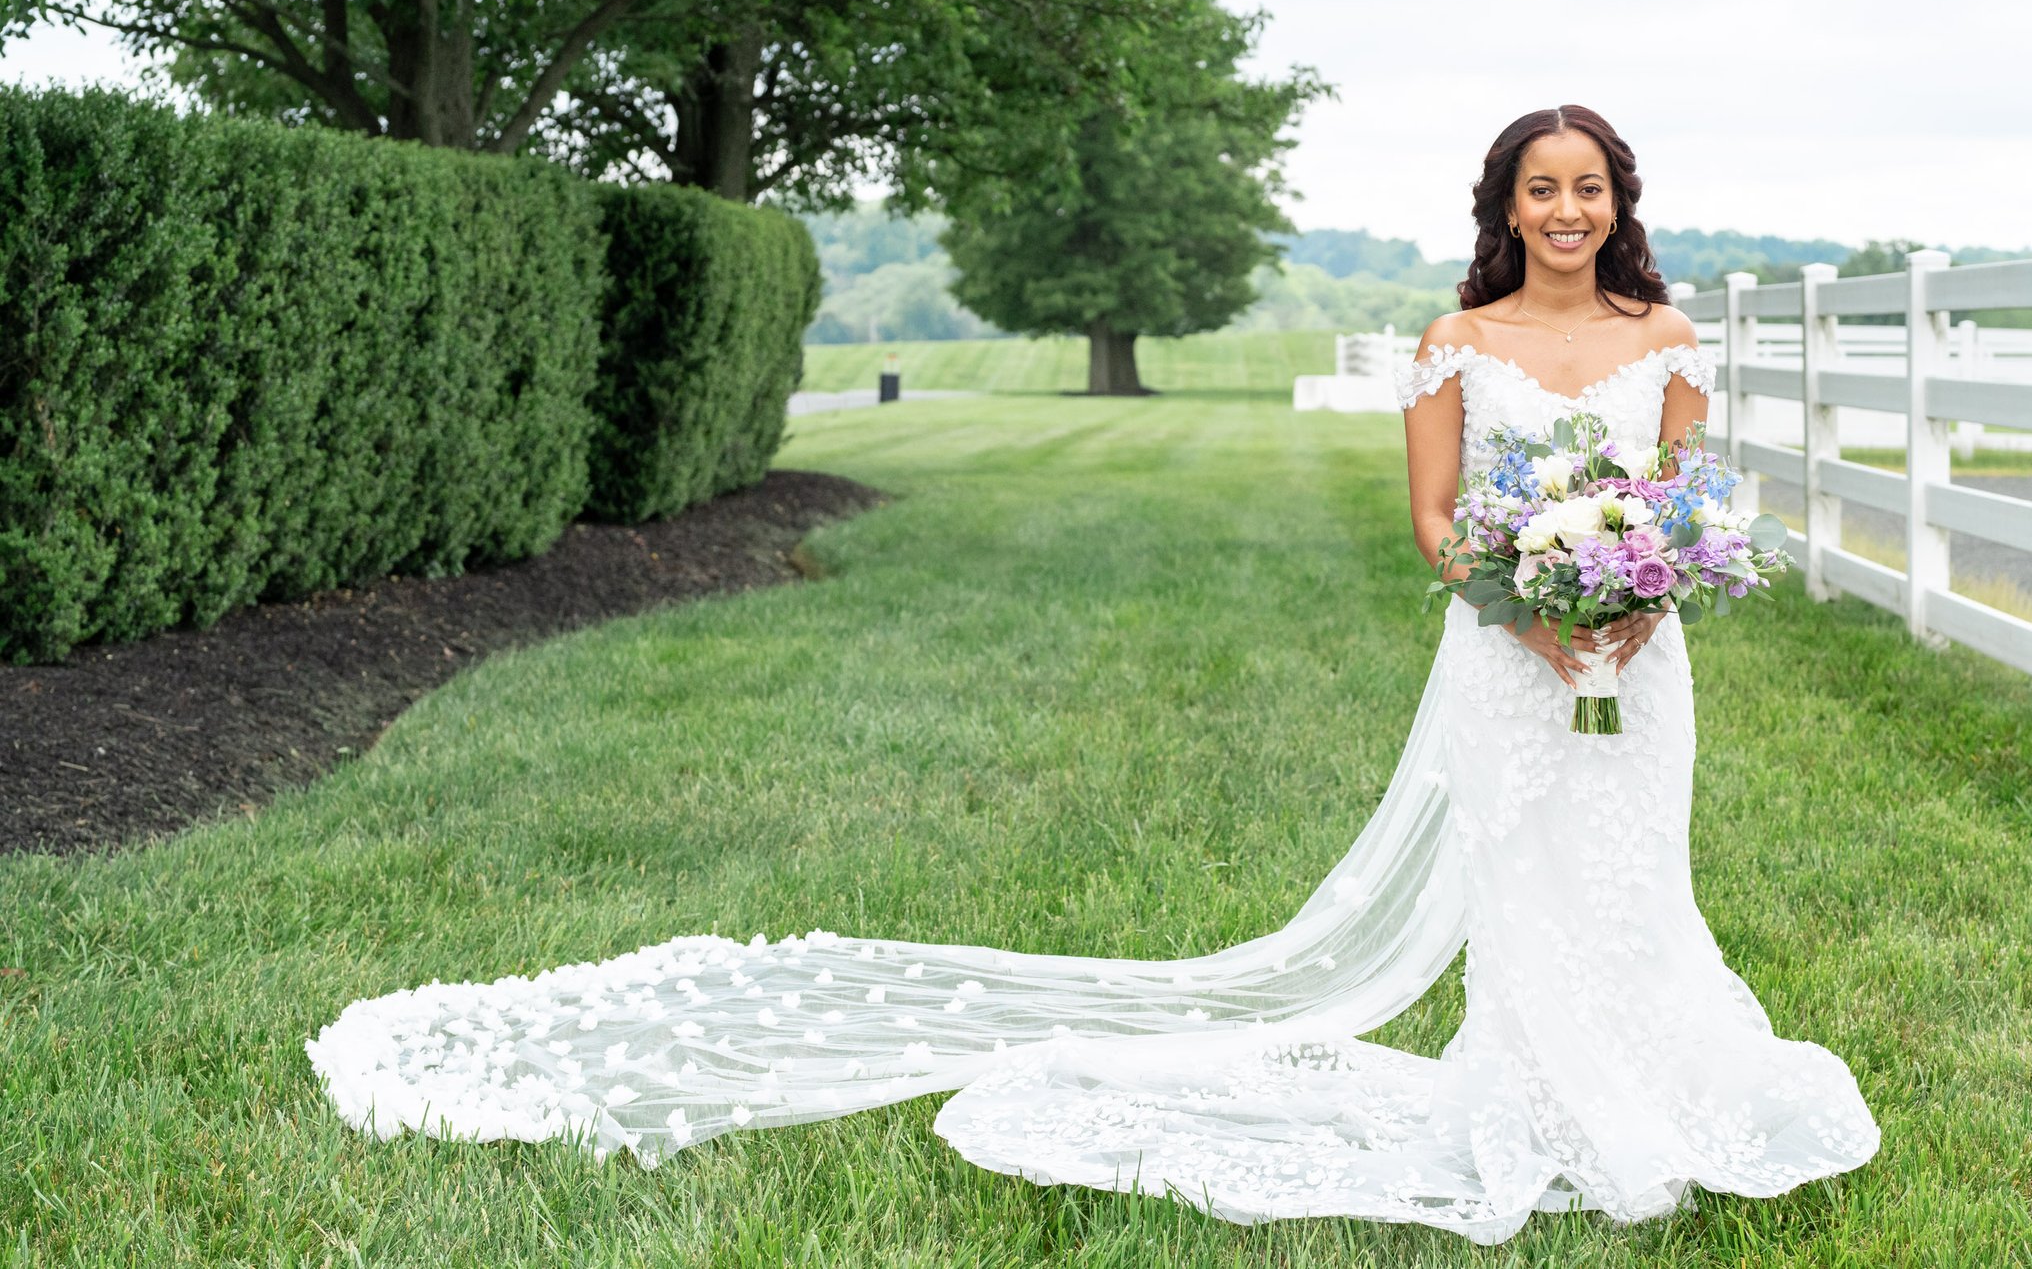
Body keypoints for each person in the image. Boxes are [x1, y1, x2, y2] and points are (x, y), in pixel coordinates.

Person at [307, 104, 1879, 1244]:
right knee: (1525, 882)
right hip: (1502, 654)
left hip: (1637, 664)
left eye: (1587, 188)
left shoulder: (1665, 334)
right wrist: (1529, 610)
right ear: (1503, 202)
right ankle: (1539, 1110)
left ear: (1619, 201)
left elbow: (1684, 508)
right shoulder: (1452, 338)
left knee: (1633, 874)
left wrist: (1636, 606)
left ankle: (1660, 1088)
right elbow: (1427, 516)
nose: (1565, 211)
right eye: (1540, 188)